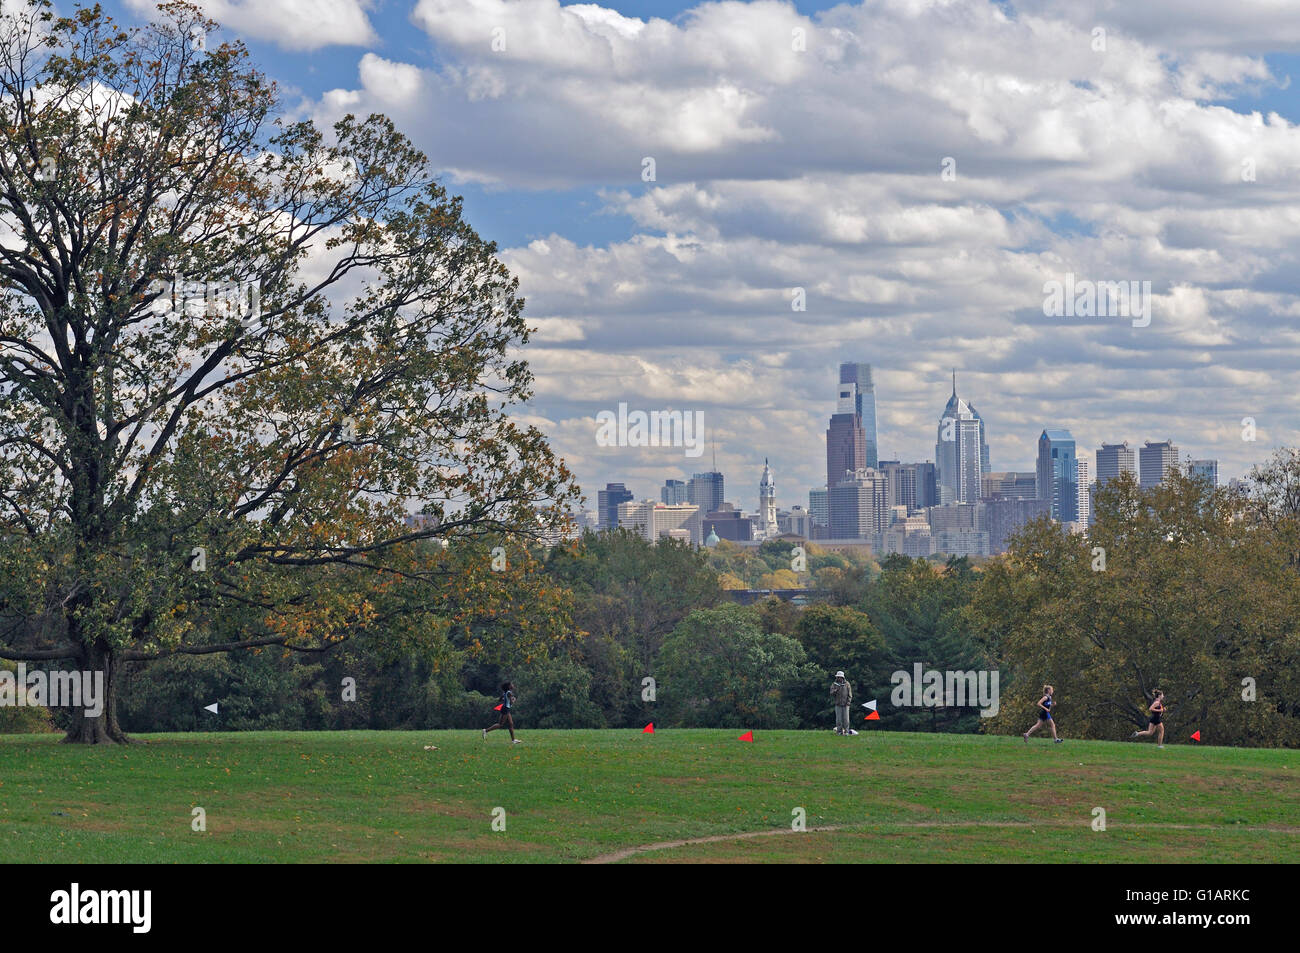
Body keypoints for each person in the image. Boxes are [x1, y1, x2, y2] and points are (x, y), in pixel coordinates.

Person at [830, 671, 853, 736]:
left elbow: (850, 694)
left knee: (846, 719)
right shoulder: (834, 684)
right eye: (838, 677)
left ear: (843, 677)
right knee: (838, 719)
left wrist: (848, 702)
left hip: (846, 704)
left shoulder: (847, 684)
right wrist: (835, 691)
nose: (839, 678)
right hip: (838, 704)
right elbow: (831, 693)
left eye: (840, 677)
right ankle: (839, 732)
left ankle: (846, 732)